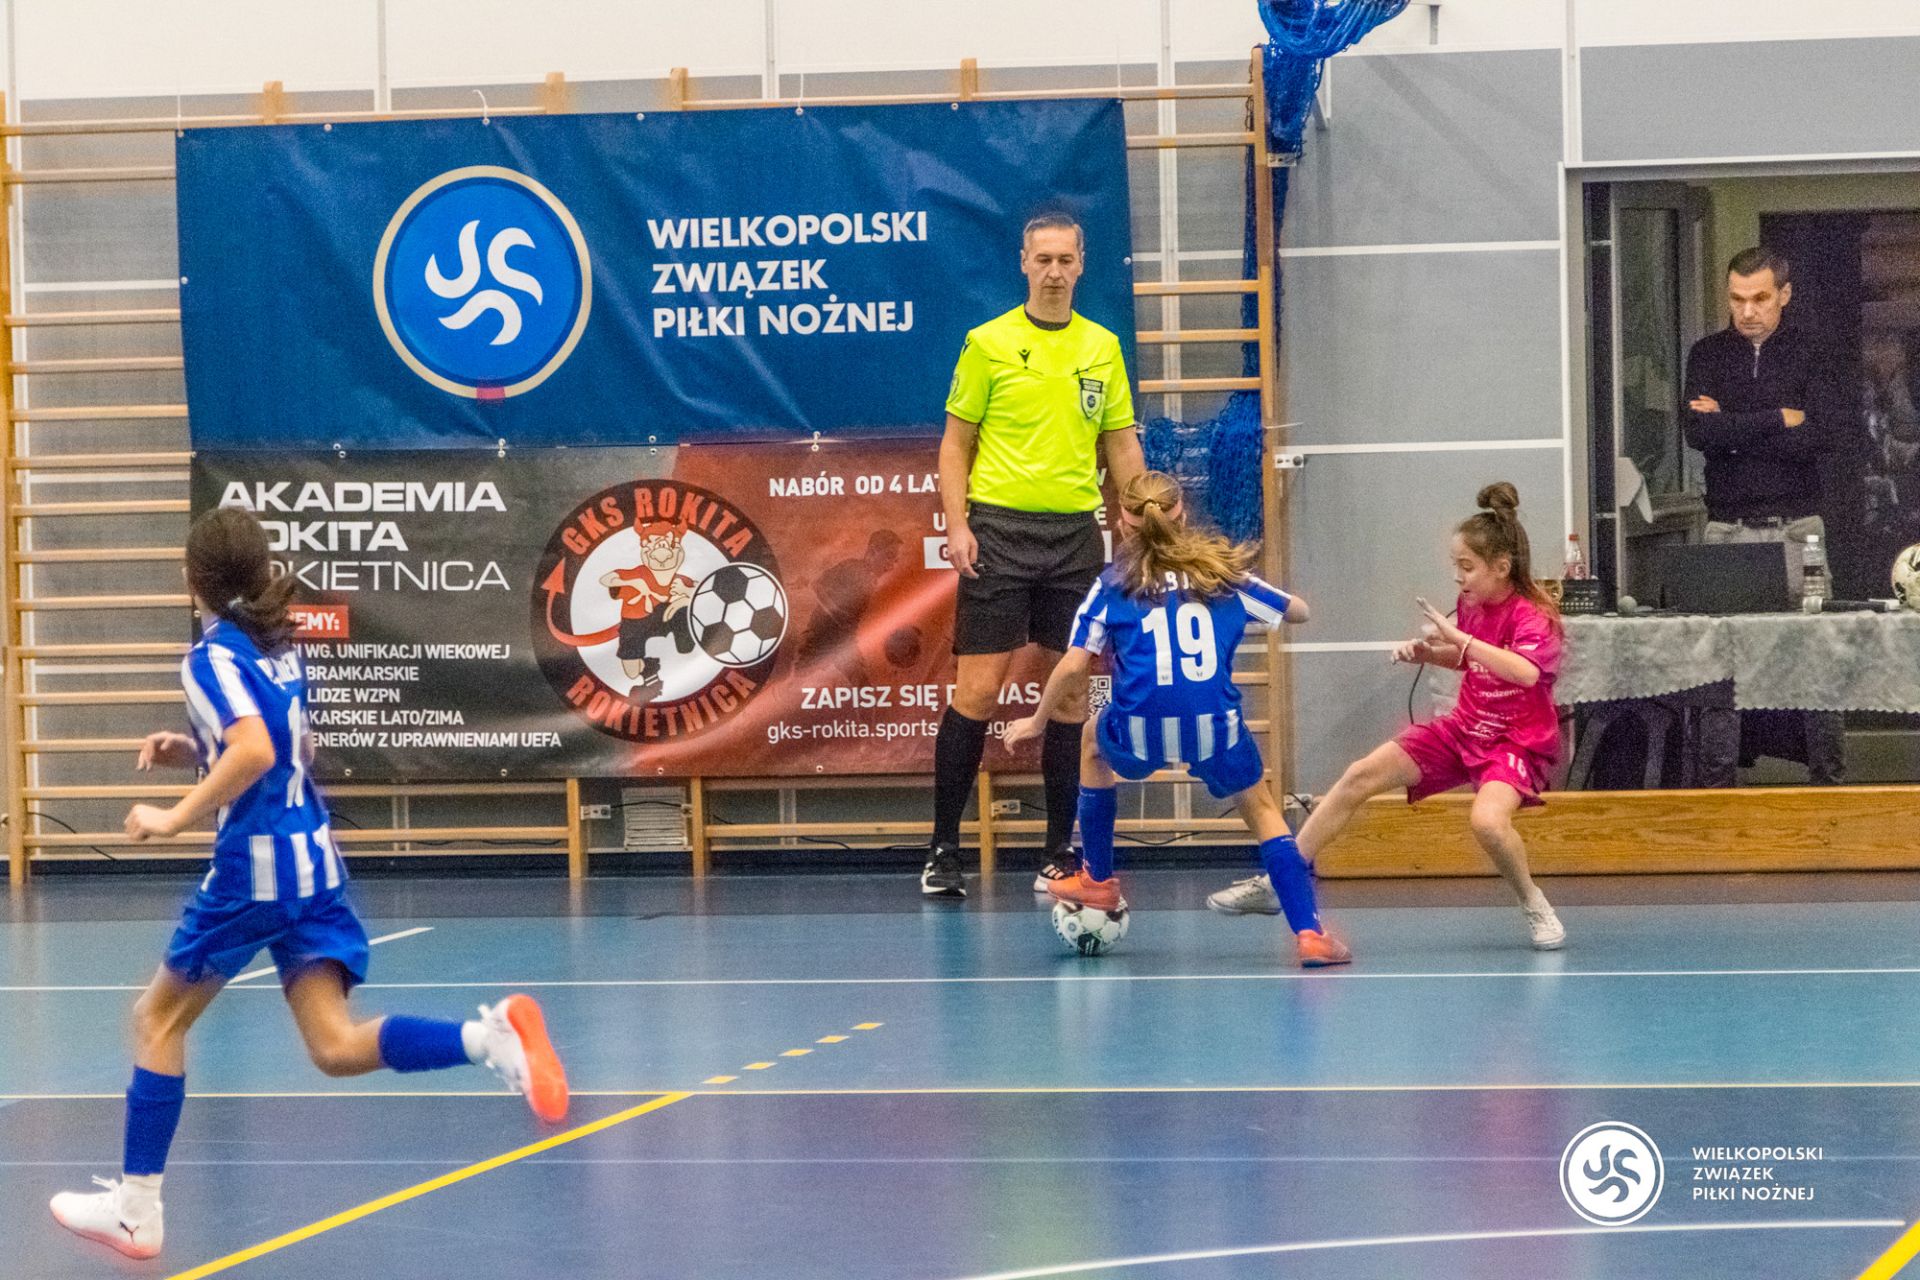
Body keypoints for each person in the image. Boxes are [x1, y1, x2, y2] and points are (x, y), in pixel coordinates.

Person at [49, 507, 568, 1261]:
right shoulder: (279, 648)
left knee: (156, 1021)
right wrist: (194, 750)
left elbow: (256, 752)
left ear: (191, 577)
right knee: (333, 1045)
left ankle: (136, 1210)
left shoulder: (210, 658)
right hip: (314, 866)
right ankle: (491, 1041)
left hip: (253, 875)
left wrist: (176, 814)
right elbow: (291, 746)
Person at [1002, 472, 1347, 966]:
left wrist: (1036, 722)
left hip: (1139, 727)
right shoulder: (1221, 576)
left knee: (1092, 740)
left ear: (1122, 526)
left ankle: (1097, 879)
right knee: (1262, 808)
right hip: (1214, 728)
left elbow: (1075, 664)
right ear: (1182, 516)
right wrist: (1237, 592)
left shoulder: (1113, 586)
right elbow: (1300, 613)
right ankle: (1310, 934)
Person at [1207, 484, 1568, 951]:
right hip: (1464, 728)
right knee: (1359, 775)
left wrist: (1458, 639)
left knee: (1488, 823)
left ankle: (1534, 903)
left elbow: (1524, 672)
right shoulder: (1472, 605)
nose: (1458, 577)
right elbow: (1473, 661)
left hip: (1514, 742)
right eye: (1455, 566)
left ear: (1501, 567)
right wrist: (1430, 653)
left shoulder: (1534, 615)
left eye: (1467, 567)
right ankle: (1281, 880)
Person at [921, 211, 1146, 898]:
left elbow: (1121, 445)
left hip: (1074, 536)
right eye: (1042, 259)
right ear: (1024, 262)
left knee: (1070, 691)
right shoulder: (988, 343)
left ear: (1081, 265)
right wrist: (958, 524)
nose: (1053, 271)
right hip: (998, 531)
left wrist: (1140, 527)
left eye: (1064, 260)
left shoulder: (1102, 347)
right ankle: (943, 850)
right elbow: (955, 443)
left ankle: (1057, 850)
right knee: (978, 693)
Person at [1684, 246, 1845, 785]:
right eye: (1736, 299)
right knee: (1720, 668)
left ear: (1785, 294)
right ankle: (1717, 792)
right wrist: (1779, 417)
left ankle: (1829, 788)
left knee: (1817, 661)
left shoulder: (1812, 352)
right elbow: (1700, 434)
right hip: (1726, 528)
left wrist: (1732, 425)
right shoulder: (1707, 355)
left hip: (1799, 529)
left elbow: (1823, 435)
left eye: (1760, 298)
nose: (1747, 311)